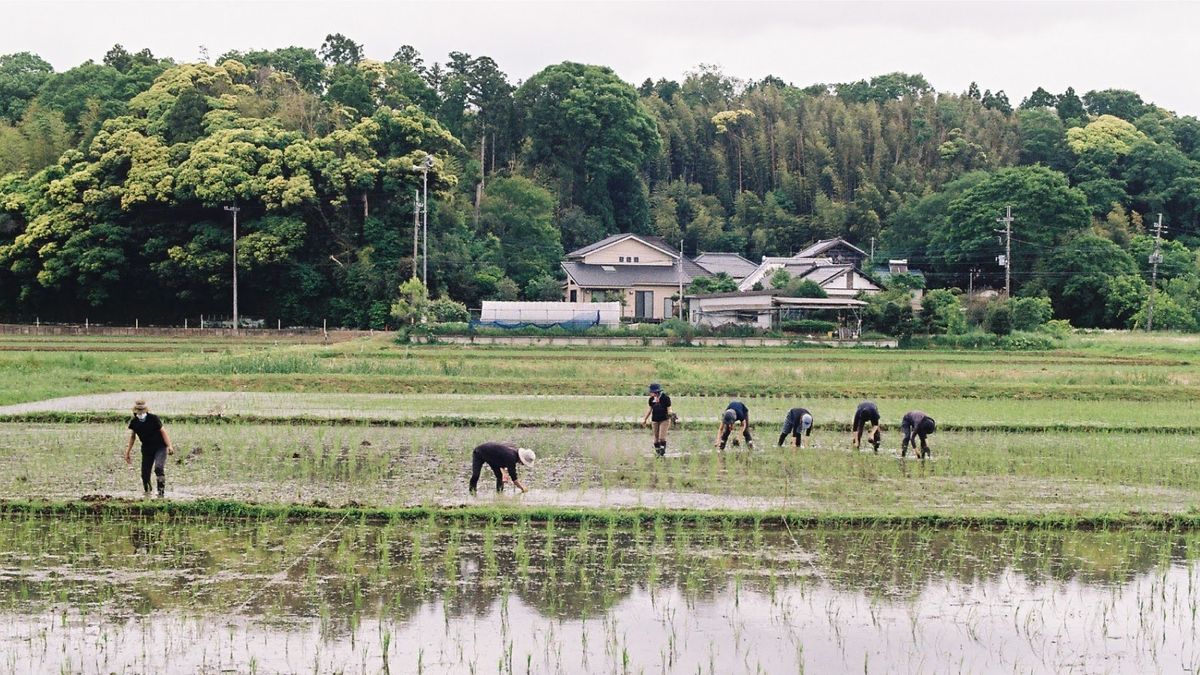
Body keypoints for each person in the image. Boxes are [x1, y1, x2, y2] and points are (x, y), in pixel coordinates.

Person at [124, 399, 174, 498]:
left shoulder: (153, 418)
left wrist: (169, 446)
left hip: (160, 447)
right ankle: (148, 493)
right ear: (135, 411)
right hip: (147, 449)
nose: (140, 413)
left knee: (159, 468)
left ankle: (161, 493)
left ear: (145, 410)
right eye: (138, 411)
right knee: (145, 474)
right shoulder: (134, 422)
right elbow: (133, 436)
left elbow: (163, 431)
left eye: (142, 410)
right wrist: (128, 451)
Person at [469, 442, 536, 494]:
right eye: (524, 463)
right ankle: (472, 492)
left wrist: (504, 473)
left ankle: (499, 494)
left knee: (500, 476)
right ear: (521, 459)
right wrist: (522, 488)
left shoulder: (513, 454)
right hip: (479, 452)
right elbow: (514, 478)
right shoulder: (511, 457)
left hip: (492, 457)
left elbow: (501, 459)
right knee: (476, 474)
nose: (523, 464)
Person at [642, 383, 673, 456]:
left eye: (651, 392)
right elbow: (649, 410)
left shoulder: (665, 398)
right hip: (655, 420)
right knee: (656, 439)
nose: (650, 393)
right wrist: (645, 419)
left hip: (664, 419)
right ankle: (658, 453)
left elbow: (669, 409)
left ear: (656, 392)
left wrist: (671, 414)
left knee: (661, 438)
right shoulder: (651, 399)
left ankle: (662, 452)